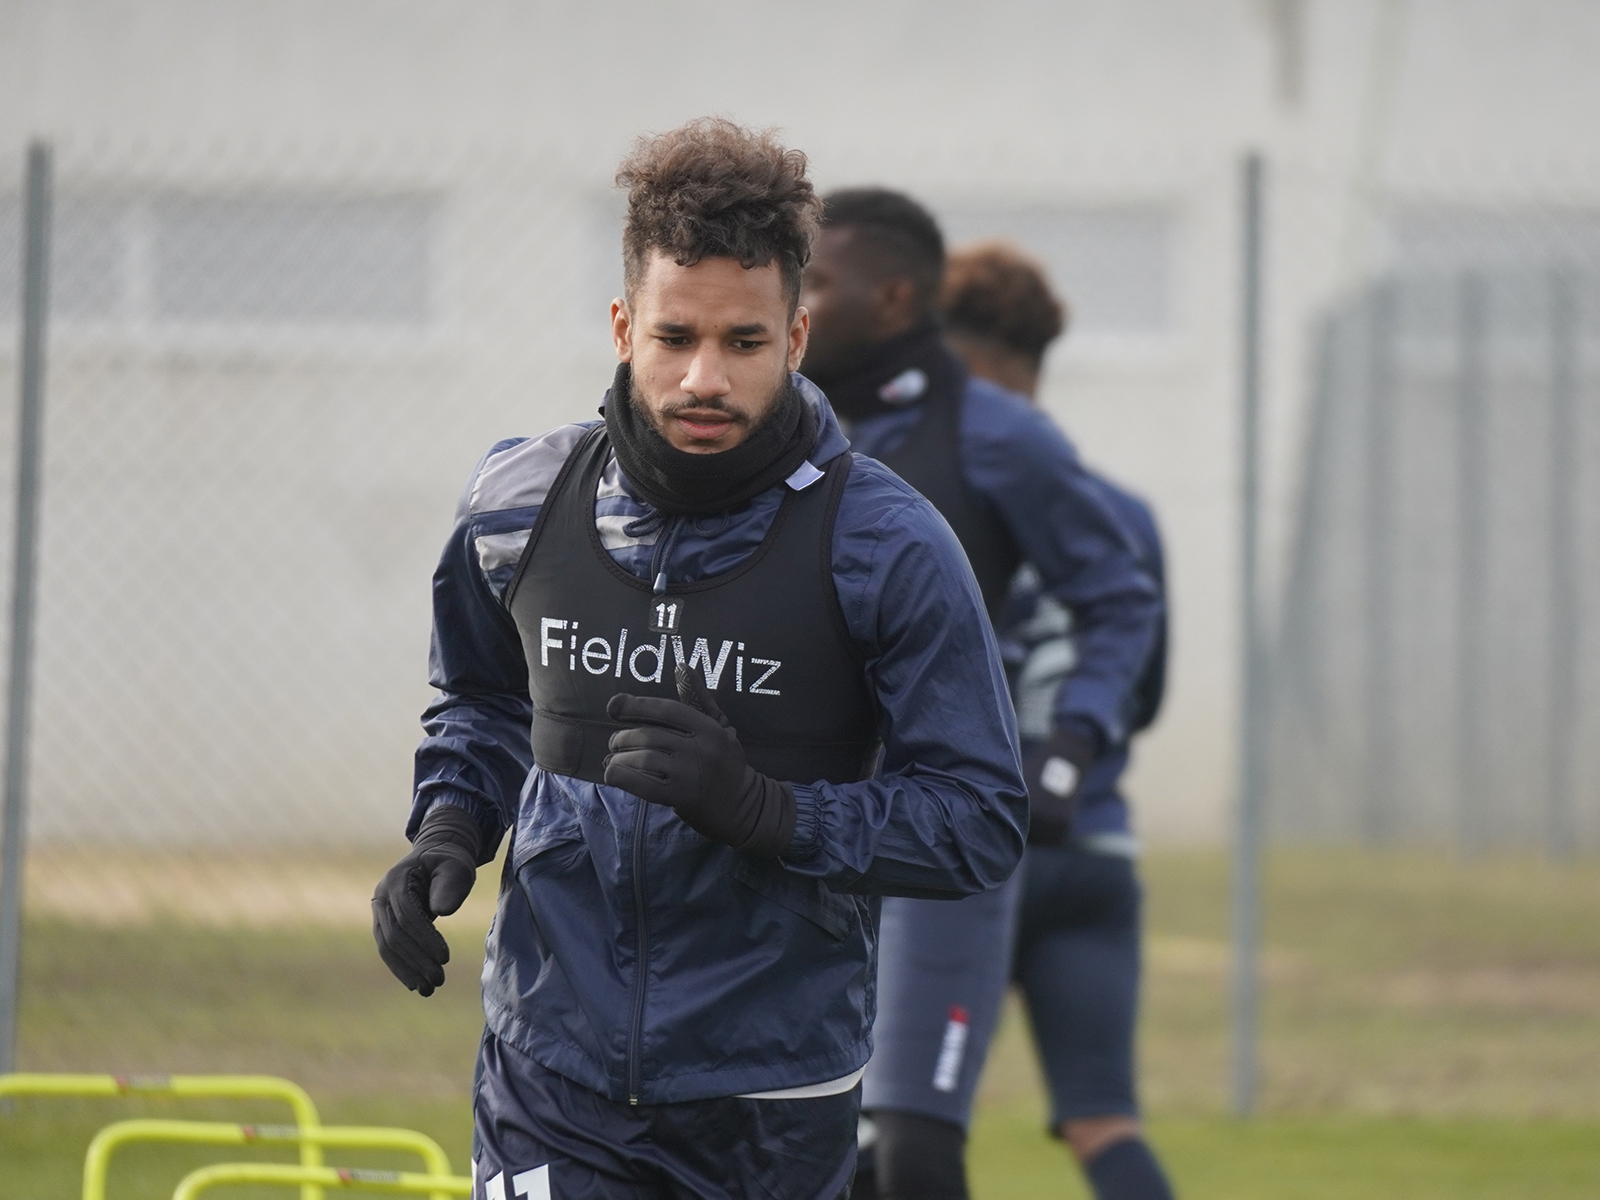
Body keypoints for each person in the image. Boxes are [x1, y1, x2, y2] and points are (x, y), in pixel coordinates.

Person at [368, 119, 1027, 1200]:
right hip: (549, 1069)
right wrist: (447, 826)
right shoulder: (517, 505)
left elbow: (977, 818)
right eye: (675, 338)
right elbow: (481, 701)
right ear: (624, 325)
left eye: (744, 342)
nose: (703, 378)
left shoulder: (888, 546)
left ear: (798, 338)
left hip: (769, 1097)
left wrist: (774, 813)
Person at [800, 195, 1164, 1200]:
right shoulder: (775, 429)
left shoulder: (1001, 440)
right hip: (795, 832)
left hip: (945, 838)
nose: (791, 301)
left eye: (815, 279)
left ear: (894, 297)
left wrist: (1070, 743)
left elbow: (1123, 604)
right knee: (802, 1143)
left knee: (914, 1143)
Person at [944, 240, 1176, 1200]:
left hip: (964, 856)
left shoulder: (933, 502)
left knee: (903, 1118)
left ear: (978, 368)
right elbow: (1141, 693)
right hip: (1091, 848)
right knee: (1103, 1122)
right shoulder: (1124, 512)